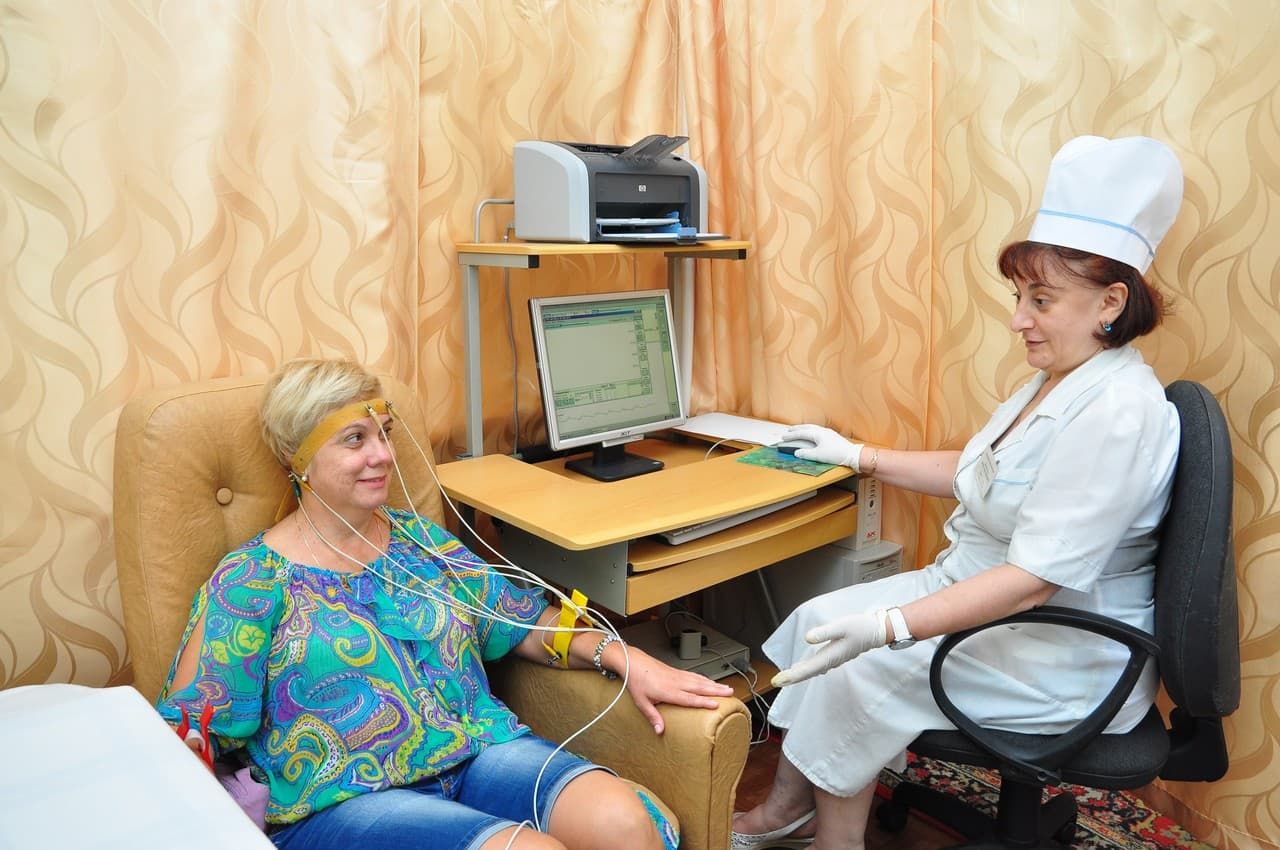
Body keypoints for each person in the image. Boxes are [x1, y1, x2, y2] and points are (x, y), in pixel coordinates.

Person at [730, 135, 1185, 850]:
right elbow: (981, 471)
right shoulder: (1059, 380)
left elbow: (1033, 582)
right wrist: (860, 456)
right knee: (820, 619)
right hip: (995, 606)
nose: (1018, 319)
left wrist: (892, 626)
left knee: (858, 664)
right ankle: (787, 810)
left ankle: (833, 842)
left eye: (1041, 300)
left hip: (1059, 651)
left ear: (1111, 302)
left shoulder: (1119, 413)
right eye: (1019, 297)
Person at [156, 357, 734, 850]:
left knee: (624, 824)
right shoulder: (251, 581)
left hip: (477, 752)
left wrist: (627, 657)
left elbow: (523, 620)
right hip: (347, 799)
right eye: (354, 440)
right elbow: (192, 723)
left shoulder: (421, 544)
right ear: (297, 457)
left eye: (384, 432)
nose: (383, 454)